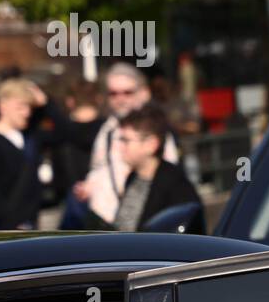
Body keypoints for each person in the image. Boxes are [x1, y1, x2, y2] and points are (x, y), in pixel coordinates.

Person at [58, 63, 179, 229]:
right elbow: (99, 167)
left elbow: (169, 174)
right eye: (113, 93)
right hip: (108, 225)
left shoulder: (157, 129)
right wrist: (89, 185)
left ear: (143, 93)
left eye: (127, 92)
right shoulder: (107, 130)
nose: (120, 99)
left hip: (147, 223)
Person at [110, 104, 202, 232]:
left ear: (151, 144)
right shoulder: (133, 177)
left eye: (126, 140)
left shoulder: (177, 187)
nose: (120, 147)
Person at [0, 78, 43, 230]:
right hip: (6, 229)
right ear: (2, 106)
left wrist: (46, 103)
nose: (27, 112)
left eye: (29, 107)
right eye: (20, 106)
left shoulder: (30, 137)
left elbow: (63, 132)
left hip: (31, 225)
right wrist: (12, 223)